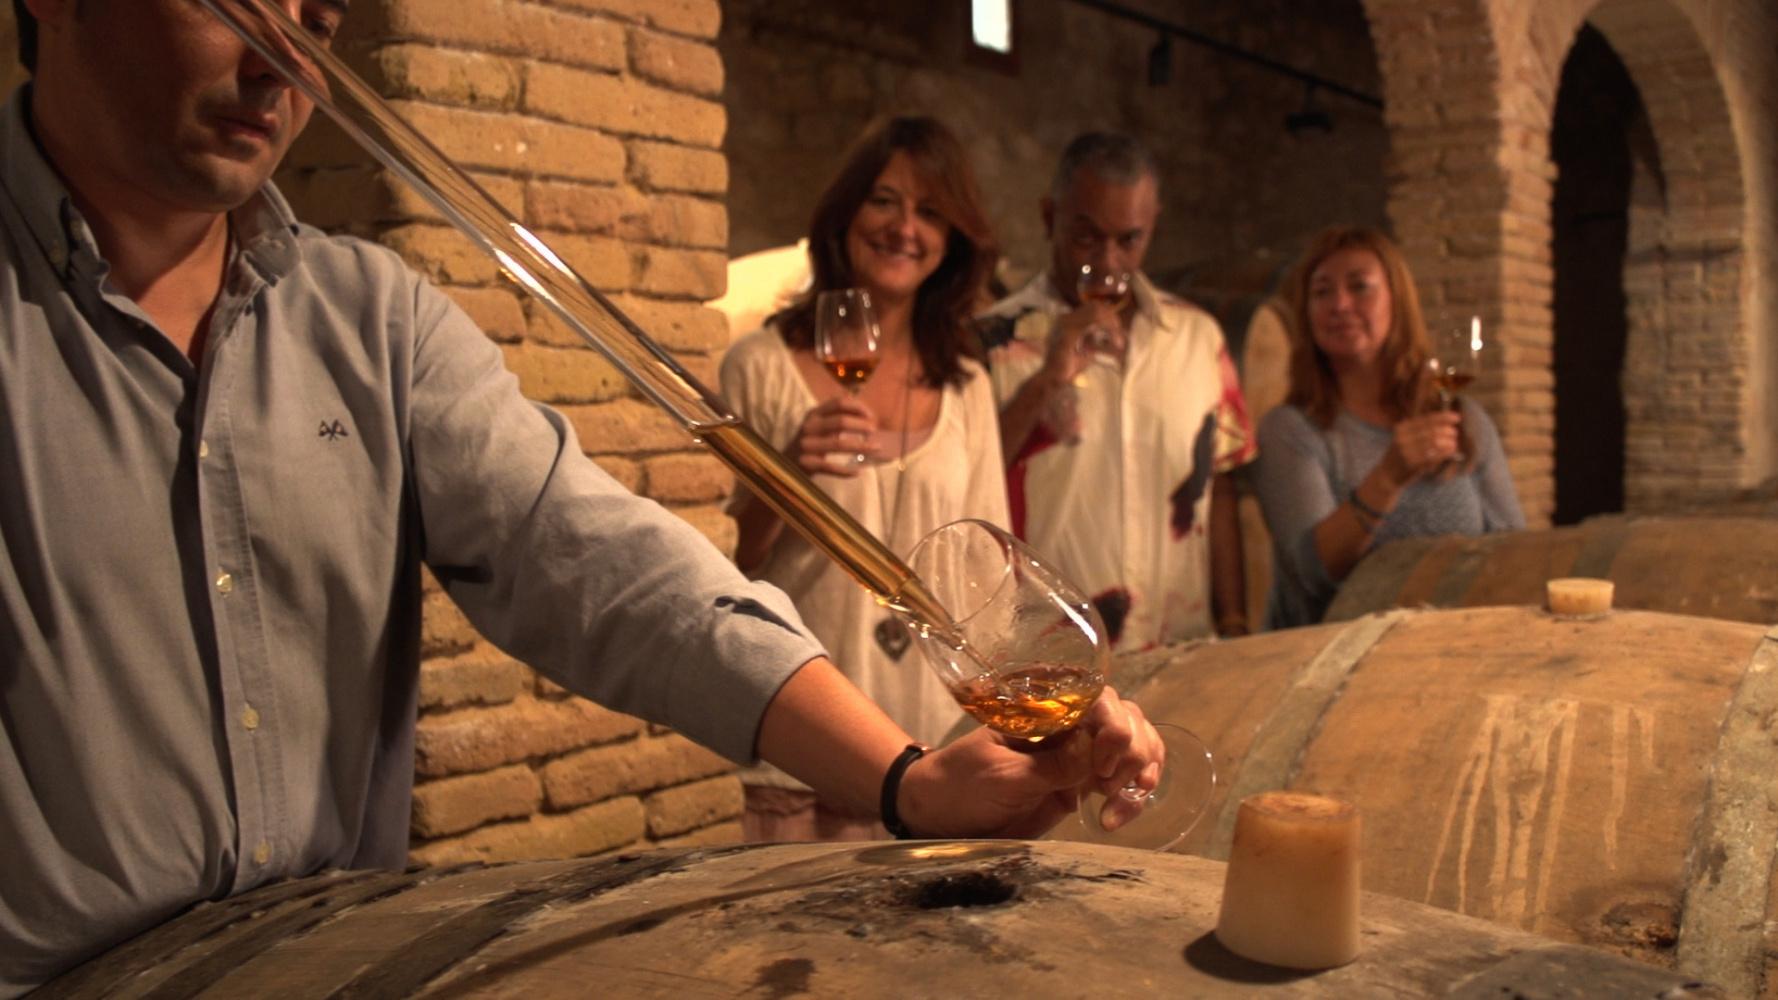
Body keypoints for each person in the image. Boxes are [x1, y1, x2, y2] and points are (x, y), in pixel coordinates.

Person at [0, 2, 1162, 992]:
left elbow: (600, 564)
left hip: (325, 969)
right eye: (242, 4)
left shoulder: (370, 320)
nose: (286, 63)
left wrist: (908, 781)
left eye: (319, 19)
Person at [720, 117, 1010, 841]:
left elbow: (986, 573)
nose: (904, 227)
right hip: (798, 745)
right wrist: (785, 476)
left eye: (930, 211)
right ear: (846, 212)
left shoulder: (966, 382)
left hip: (931, 749)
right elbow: (723, 569)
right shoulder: (760, 367)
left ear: (952, 239)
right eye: (884, 200)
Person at [979, 132, 1256, 650]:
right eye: (1087, 238)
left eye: (1129, 241)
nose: (1108, 262)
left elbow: (1219, 489)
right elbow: (968, 485)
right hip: (1049, 658)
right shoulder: (989, 342)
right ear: (1049, 217)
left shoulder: (1197, 338)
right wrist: (1045, 382)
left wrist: (1235, 620)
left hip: (1183, 646)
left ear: (1153, 226)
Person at [1251, 226, 1525, 629]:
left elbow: (1511, 544)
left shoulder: (1465, 420)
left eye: (1359, 286)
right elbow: (1312, 573)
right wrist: (1389, 477)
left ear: (1397, 301)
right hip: (1334, 655)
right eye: (1322, 292)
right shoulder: (1291, 430)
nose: (1340, 304)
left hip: (1457, 644)